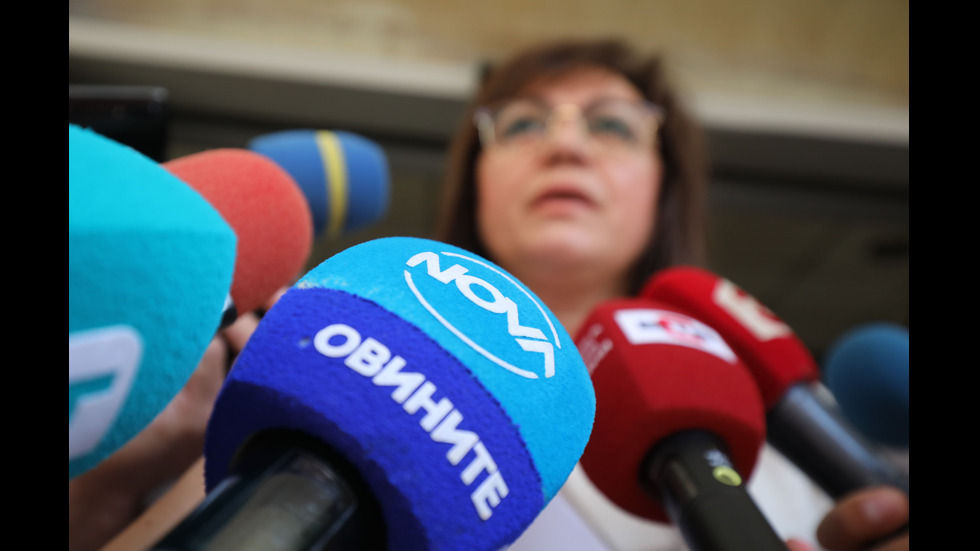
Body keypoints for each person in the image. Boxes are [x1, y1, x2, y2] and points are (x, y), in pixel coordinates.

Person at [432, 38, 908, 551]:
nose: (566, 147)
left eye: (612, 125)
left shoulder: (787, 409)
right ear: (475, 182)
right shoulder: (389, 381)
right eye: (523, 124)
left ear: (663, 188)